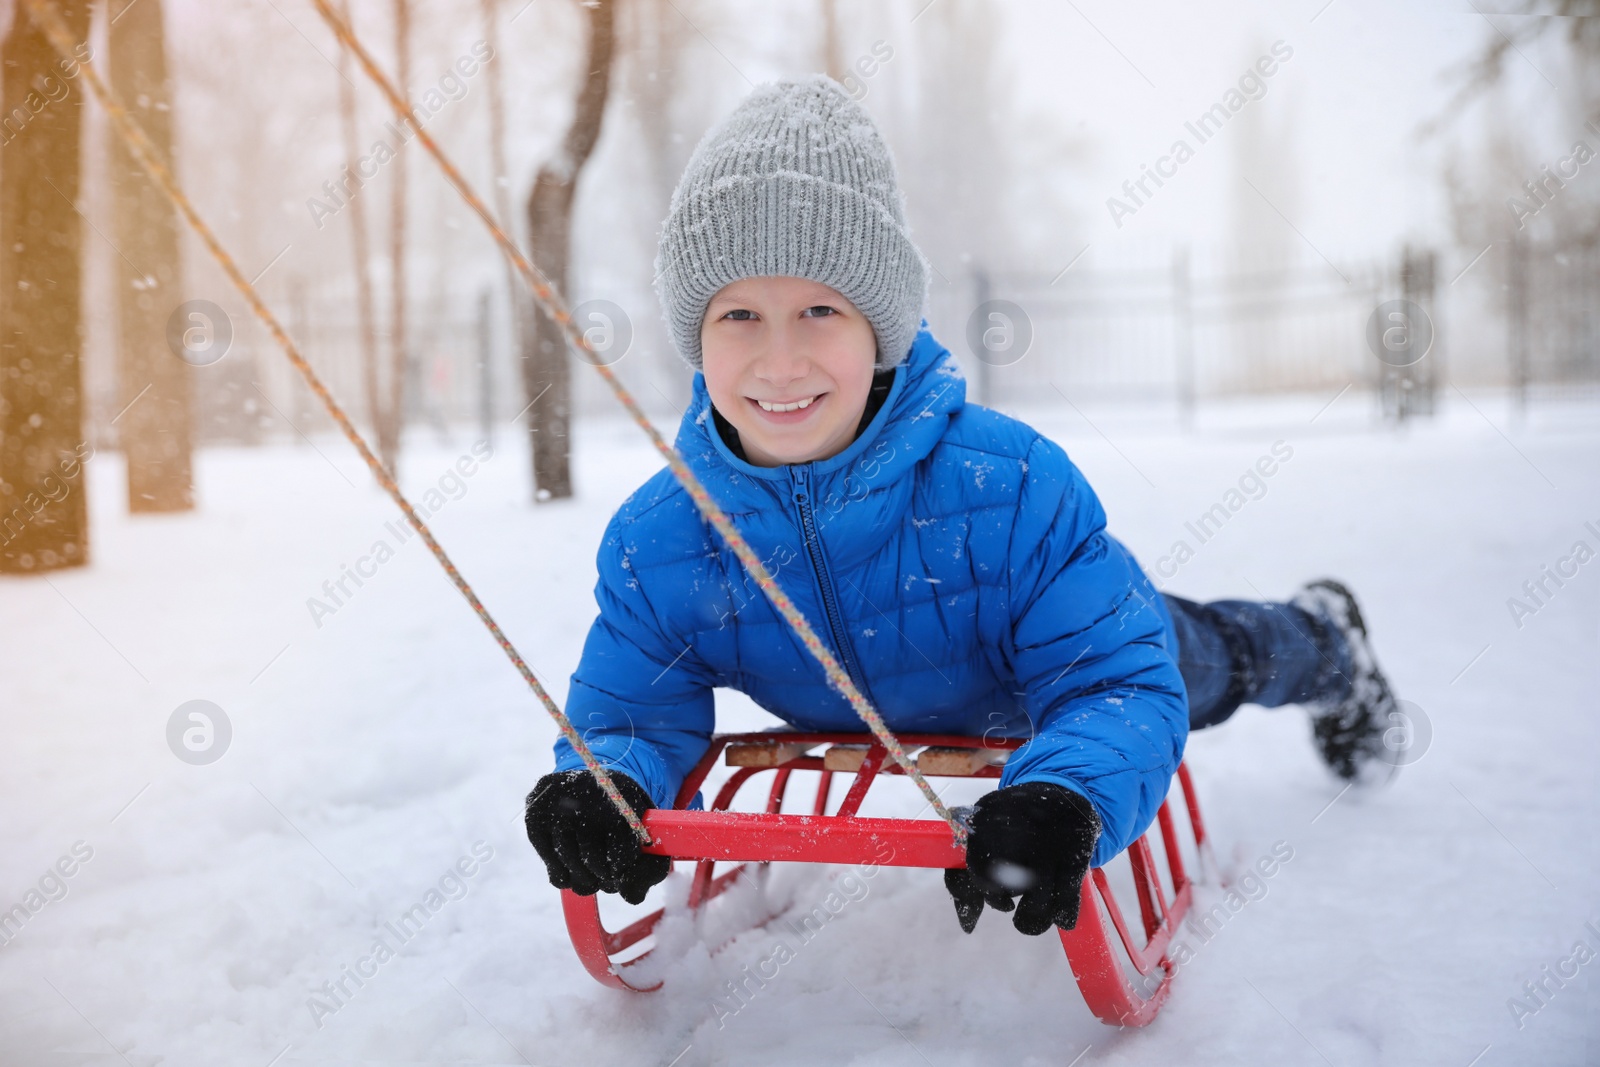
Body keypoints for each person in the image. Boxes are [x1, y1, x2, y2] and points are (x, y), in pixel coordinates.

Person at [524, 75, 1400, 937]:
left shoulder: (1011, 488)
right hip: (906, 686)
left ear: (882, 328)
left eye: (820, 309)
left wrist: (1066, 793)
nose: (780, 360)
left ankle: (1326, 641)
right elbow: (631, 705)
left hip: (1047, 672)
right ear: (695, 336)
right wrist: (606, 783)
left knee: (1208, 658)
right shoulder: (662, 540)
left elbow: (1115, 682)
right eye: (740, 314)